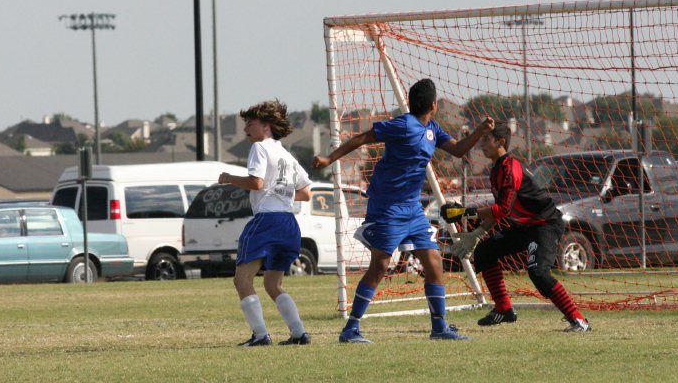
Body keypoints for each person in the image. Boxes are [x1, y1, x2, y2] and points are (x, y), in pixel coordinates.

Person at [312, 78, 494, 343]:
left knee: (433, 263)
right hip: (387, 206)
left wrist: (478, 131)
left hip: (412, 208)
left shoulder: (432, 128)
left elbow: (457, 150)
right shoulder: (402, 124)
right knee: (380, 266)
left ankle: (439, 327)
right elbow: (363, 137)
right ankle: (351, 328)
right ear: (434, 104)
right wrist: (330, 159)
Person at [442, 122, 591, 332]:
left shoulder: (510, 168)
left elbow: (502, 209)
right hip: (524, 227)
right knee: (485, 251)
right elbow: (500, 210)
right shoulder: (496, 170)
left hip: (544, 225)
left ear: (500, 142)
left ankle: (579, 320)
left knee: (538, 273)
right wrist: (478, 233)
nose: (481, 144)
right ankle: (504, 309)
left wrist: (465, 212)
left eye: (486, 139)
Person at [218, 100, 313, 347]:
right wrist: (283, 193)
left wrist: (229, 178)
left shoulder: (260, 148)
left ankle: (260, 336)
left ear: (266, 126)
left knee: (242, 280)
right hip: (288, 223)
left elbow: (257, 183)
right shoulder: (287, 155)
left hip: (266, 221)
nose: (246, 128)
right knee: (273, 283)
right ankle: (298, 333)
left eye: (251, 123)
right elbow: (306, 192)